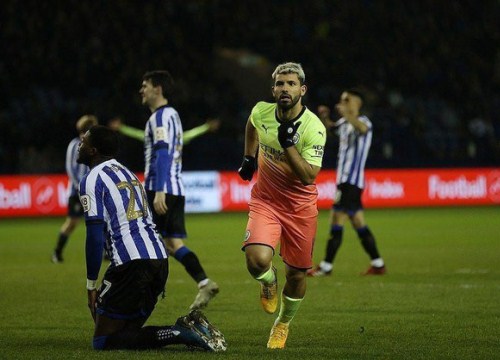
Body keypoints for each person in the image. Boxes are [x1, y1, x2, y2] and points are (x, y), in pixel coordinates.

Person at [77, 125, 226, 351]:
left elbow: (94, 235)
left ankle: (180, 332)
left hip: (131, 264)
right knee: (126, 333)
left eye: (84, 141)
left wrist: (91, 285)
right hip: (159, 260)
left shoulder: (91, 179)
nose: (80, 143)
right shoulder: (126, 172)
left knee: (104, 341)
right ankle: (188, 327)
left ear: (93, 150)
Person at [238, 62, 326, 349]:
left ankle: (282, 324)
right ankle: (267, 280)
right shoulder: (261, 111)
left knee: (298, 274)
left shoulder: (314, 128)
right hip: (266, 200)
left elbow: (308, 176)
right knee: (256, 261)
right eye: (279, 84)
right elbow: (251, 125)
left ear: (302, 89)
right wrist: (249, 158)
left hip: (299, 208)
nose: (284, 88)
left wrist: (288, 144)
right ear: (273, 89)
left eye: (290, 84)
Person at [140, 70, 219, 311]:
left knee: (147, 241)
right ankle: (204, 282)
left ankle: (143, 293)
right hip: (175, 187)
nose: (141, 90)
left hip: (161, 188)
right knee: (172, 244)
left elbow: (163, 153)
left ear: (158, 89)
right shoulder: (172, 115)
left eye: (145, 85)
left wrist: (160, 191)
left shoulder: (160, 118)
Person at [307, 88, 386, 277]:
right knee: (358, 222)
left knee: (336, 218)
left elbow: (362, 129)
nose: (342, 102)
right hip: (345, 182)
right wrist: (325, 118)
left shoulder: (364, 122)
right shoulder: (344, 123)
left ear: (357, 103)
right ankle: (378, 263)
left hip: (351, 182)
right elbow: (332, 129)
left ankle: (326, 266)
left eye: (347, 99)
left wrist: (347, 115)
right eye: (342, 99)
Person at [51, 114, 98, 263]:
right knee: (71, 223)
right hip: (76, 192)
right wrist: (79, 186)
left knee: (102, 222)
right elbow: (70, 168)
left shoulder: (94, 147)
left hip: (92, 191)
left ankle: (106, 252)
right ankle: (57, 252)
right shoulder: (75, 144)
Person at [108, 116, 221, 145]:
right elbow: (137, 134)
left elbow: (191, 134)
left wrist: (206, 127)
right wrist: (121, 127)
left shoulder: (174, 139)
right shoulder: (154, 138)